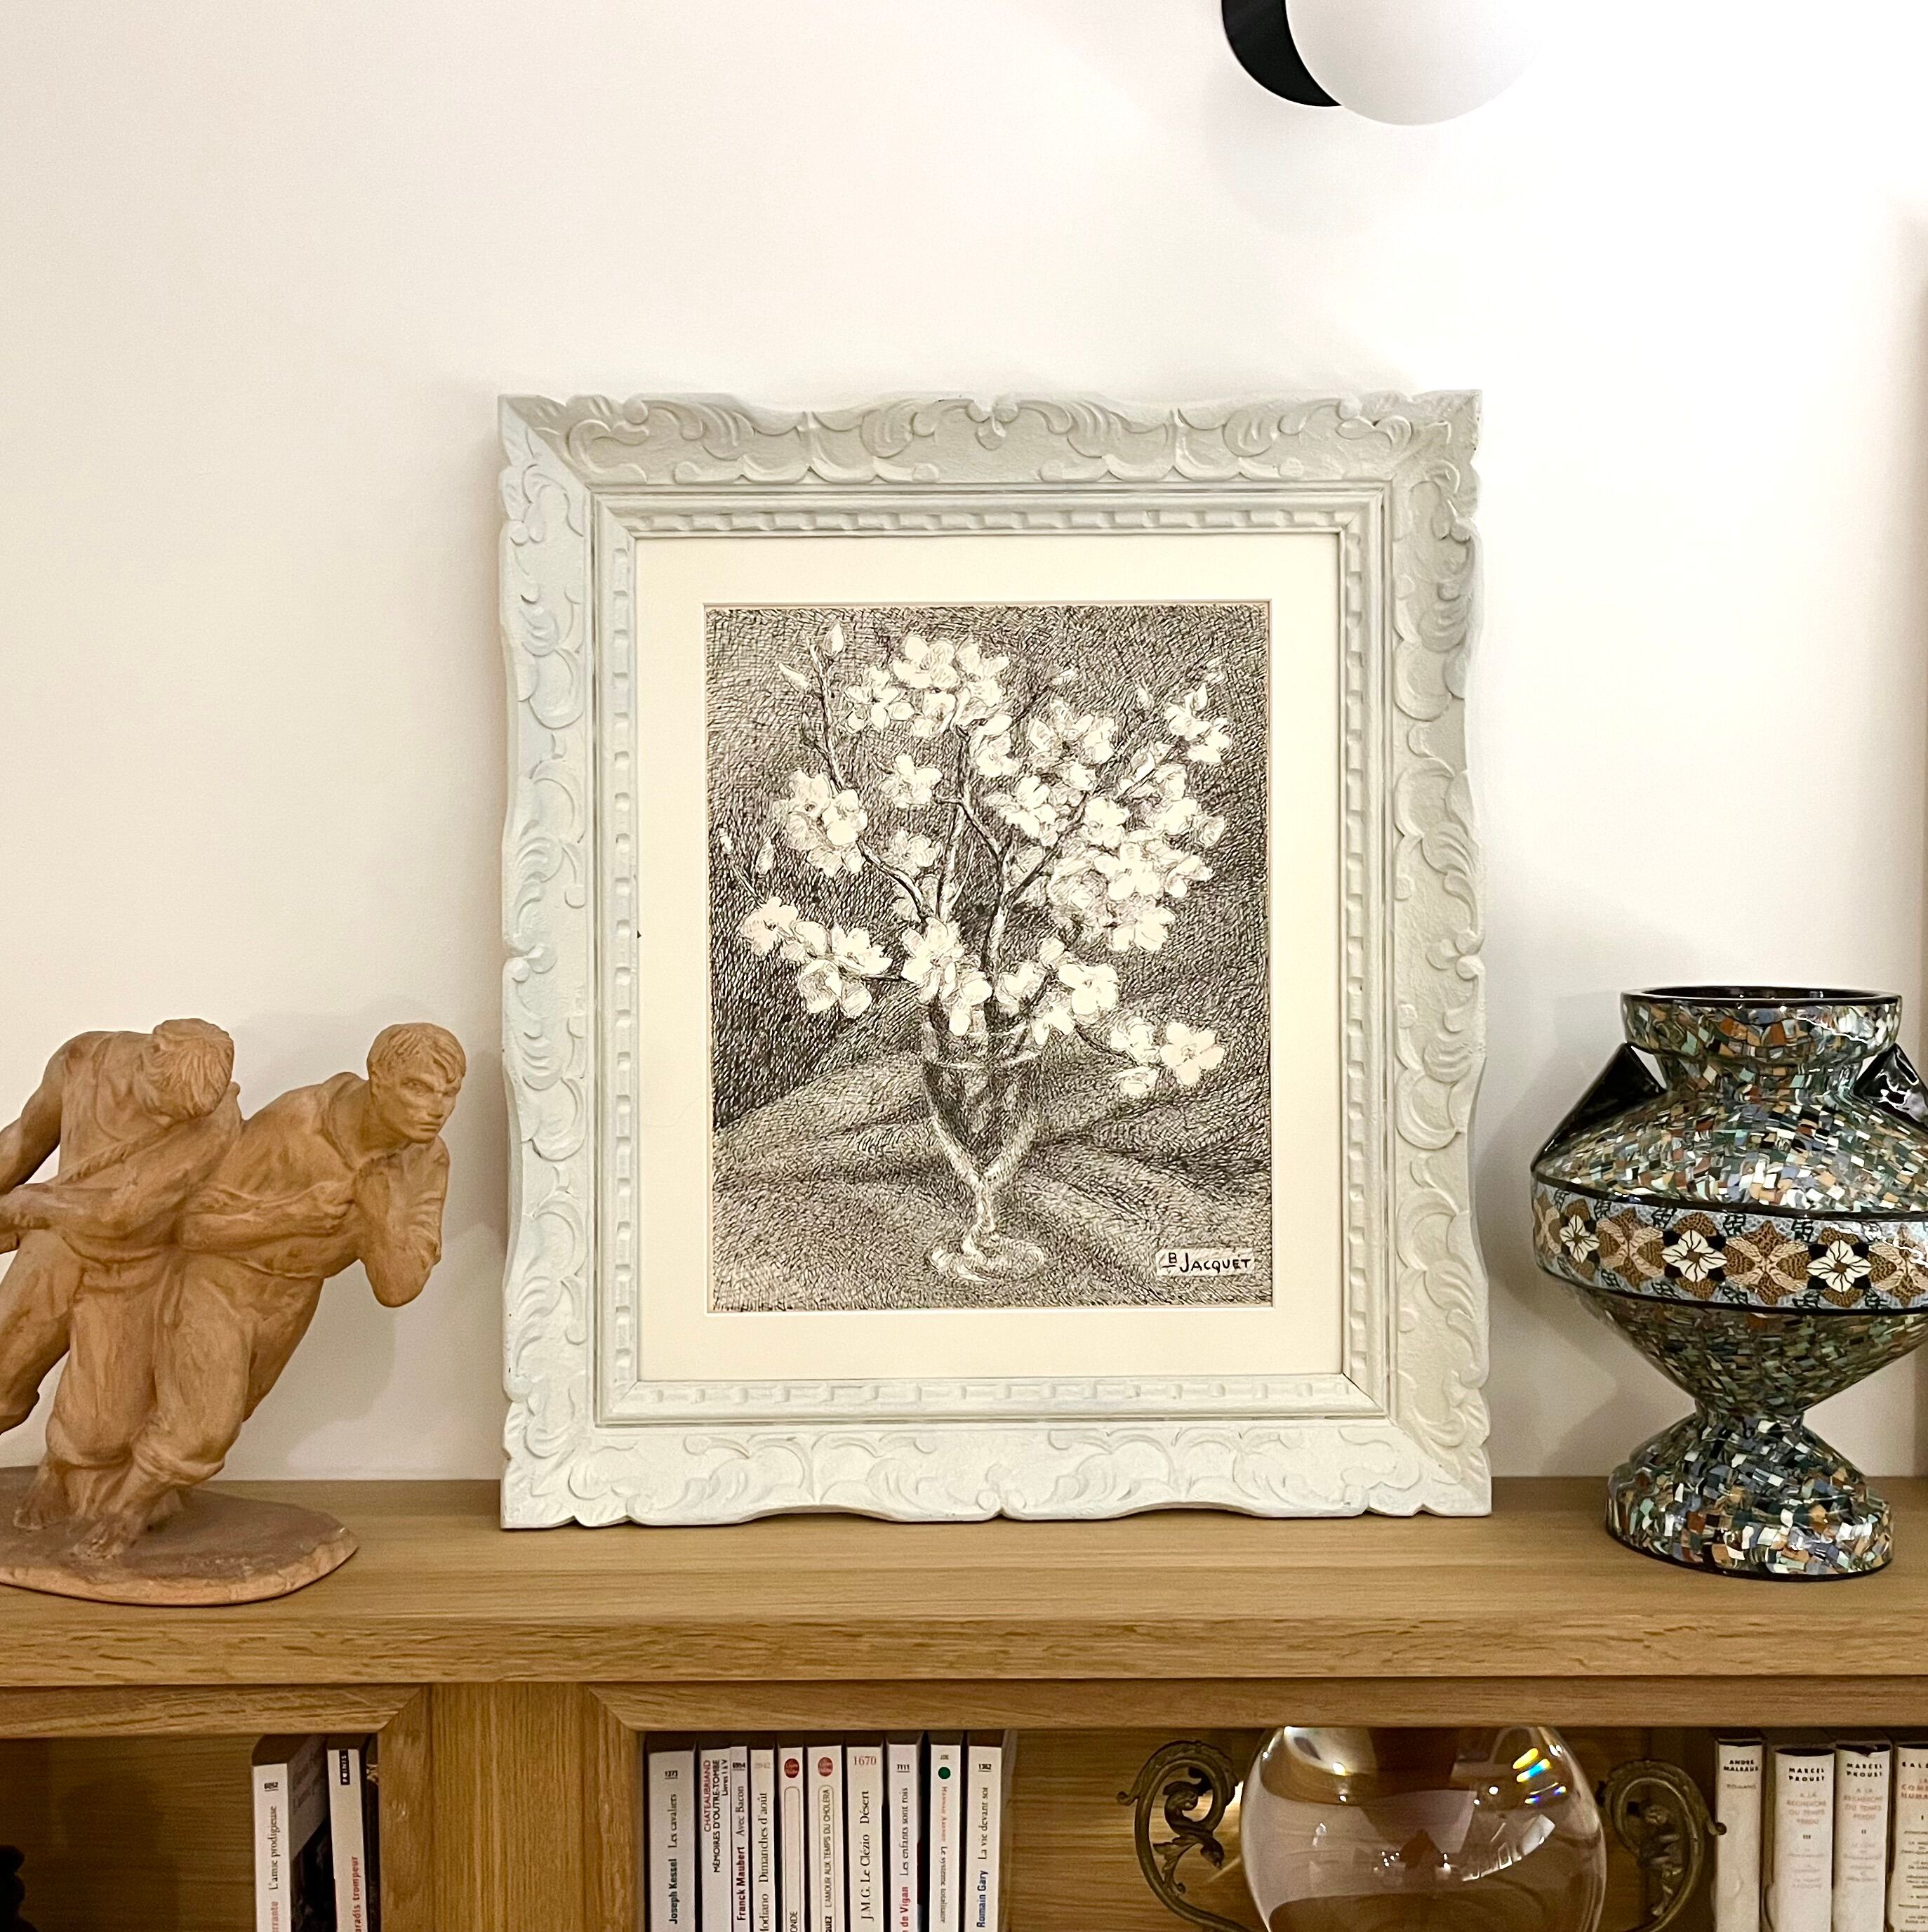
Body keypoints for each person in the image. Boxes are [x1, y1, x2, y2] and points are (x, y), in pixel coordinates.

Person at [76, 1021, 465, 1559]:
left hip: (291, 1298)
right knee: (202, 1430)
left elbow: (398, 1288)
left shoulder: (426, 1161)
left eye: (449, 1094)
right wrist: (292, 1214)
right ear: (379, 1078)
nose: (437, 1108)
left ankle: (136, 1497)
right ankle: (116, 1522)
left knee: (229, 1415)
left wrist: (380, 1217)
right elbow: (193, 1227)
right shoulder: (298, 1122)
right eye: (419, 1088)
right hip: (219, 1283)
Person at [0, 1021, 240, 1526]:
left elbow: (120, 1214)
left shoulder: (214, 1123)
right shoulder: (84, 1060)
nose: (170, 1123)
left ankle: (56, 1474)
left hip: (136, 1266)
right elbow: (23, 1140)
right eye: (161, 1108)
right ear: (147, 1059)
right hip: (56, 1248)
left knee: (100, 1428)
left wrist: (26, 1204)